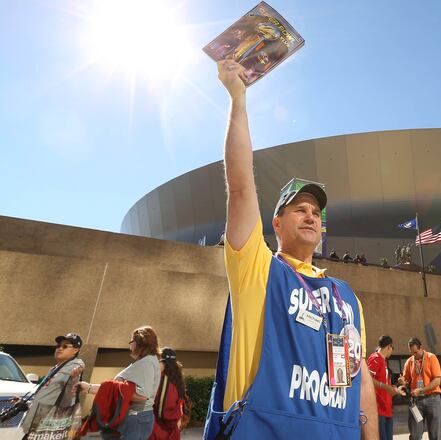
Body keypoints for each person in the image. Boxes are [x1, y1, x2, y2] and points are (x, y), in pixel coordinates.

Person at [203, 59, 377, 439]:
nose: (311, 216)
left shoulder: (346, 297)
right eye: (300, 209)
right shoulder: (258, 269)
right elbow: (241, 188)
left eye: (316, 212)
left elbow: (358, 379)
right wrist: (238, 98)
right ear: (276, 223)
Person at [79, 326, 161, 440]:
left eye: (131, 341)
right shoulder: (144, 361)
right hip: (135, 418)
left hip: (136, 419)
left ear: (138, 342)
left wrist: (92, 388)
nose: (129, 345)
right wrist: (89, 388)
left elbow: (142, 395)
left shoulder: (146, 363)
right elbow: (120, 389)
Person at [19, 333, 85, 435]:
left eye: (65, 346)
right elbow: (48, 396)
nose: (60, 348)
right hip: (35, 426)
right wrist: (27, 403)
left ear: (75, 350)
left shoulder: (73, 366)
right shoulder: (56, 368)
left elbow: (70, 396)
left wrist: (76, 374)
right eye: (58, 346)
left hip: (45, 429)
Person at [400, 337, 441, 440]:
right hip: (416, 402)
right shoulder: (409, 361)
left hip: (432, 399)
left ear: (421, 348)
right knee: (415, 435)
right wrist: (402, 382)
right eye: (412, 353)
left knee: (435, 435)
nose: (414, 355)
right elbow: (406, 380)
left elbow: (437, 381)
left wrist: (421, 390)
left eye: (415, 352)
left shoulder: (431, 358)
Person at [367, 336, 406, 440]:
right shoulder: (375, 358)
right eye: (392, 348)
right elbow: (367, 380)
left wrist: (395, 389)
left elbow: (384, 385)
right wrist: (385, 387)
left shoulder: (383, 361)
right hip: (378, 409)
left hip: (387, 408)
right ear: (389, 346)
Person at [149, 347, 191, 440]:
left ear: (163, 362)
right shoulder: (177, 378)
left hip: (161, 425)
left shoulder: (165, 380)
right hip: (173, 425)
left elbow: (164, 408)